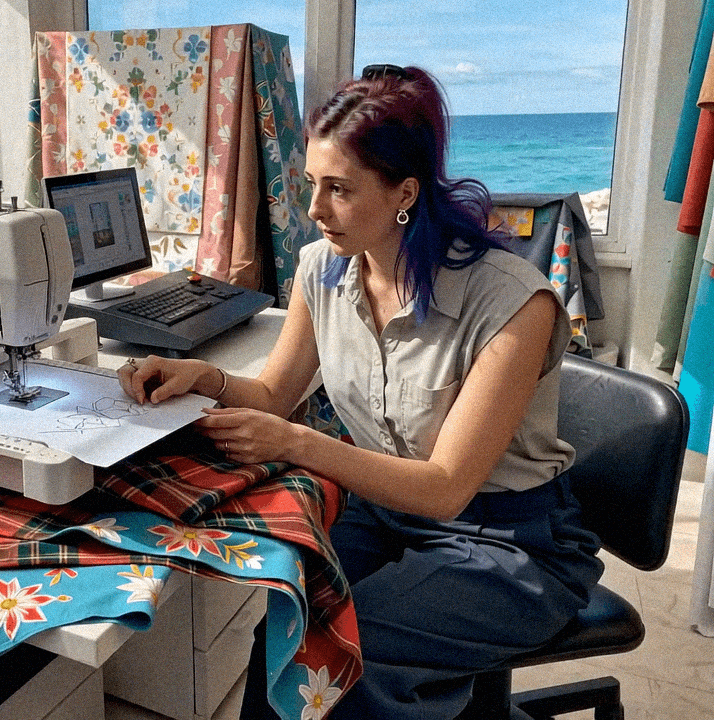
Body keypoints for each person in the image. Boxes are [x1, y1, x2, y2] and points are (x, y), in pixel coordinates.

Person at [116, 65, 604, 719]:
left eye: (338, 189)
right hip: (387, 515)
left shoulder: (511, 302)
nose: (314, 210)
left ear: (405, 191)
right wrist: (203, 378)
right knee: (284, 632)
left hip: (509, 543)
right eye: (312, 185)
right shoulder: (323, 269)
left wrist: (297, 442)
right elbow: (271, 393)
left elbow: (443, 487)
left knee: (345, 652)